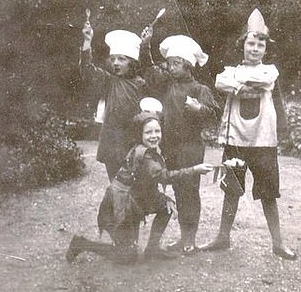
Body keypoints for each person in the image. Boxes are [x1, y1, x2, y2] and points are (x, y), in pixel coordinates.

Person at [200, 8, 296, 260]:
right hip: (236, 141)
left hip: (263, 141)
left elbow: (265, 81)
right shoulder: (230, 70)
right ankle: (223, 237)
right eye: (251, 44)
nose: (255, 49)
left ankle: (278, 243)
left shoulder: (270, 71)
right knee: (231, 188)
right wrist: (241, 84)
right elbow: (220, 82)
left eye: (260, 46)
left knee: (268, 193)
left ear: (266, 49)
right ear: (242, 45)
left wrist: (238, 86)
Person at [66, 106, 214, 264]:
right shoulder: (143, 155)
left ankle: (152, 249)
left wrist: (163, 198)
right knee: (127, 257)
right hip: (117, 207)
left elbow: (147, 184)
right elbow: (164, 176)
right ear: (140, 134)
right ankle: (81, 243)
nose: (154, 136)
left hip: (134, 201)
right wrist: (194, 169)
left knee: (166, 206)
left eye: (157, 131)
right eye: (148, 132)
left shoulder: (152, 150)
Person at [142, 34, 220, 255]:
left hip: (190, 146)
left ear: (188, 66)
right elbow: (149, 70)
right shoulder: (166, 85)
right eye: (169, 63)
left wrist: (200, 109)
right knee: (177, 188)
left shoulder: (199, 89)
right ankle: (183, 236)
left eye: (176, 63)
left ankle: (190, 239)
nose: (171, 67)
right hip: (169, 146)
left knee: (190, 192)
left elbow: (215, 115)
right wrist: (146, 44)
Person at [80, 21, 147, 181]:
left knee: (136, 190)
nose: (115, 63)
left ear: (132, 62)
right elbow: (88, 70)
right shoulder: (109, 81)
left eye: (121, 59)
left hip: (133, 143)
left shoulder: (141, 84)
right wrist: (87, 41)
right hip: (112, 144)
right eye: (113, 59)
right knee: (117, 189)